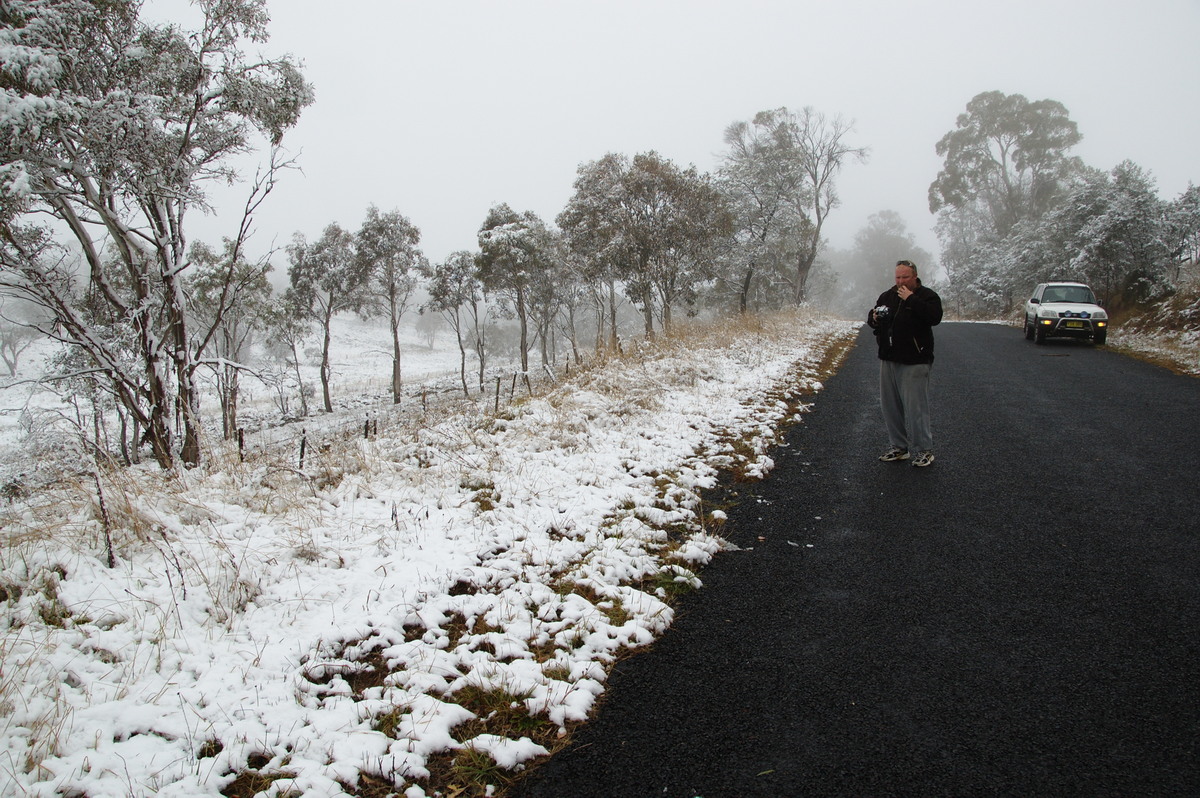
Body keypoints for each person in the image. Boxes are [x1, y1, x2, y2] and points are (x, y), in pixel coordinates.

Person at [867, 260, 943, 467]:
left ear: (915, 276)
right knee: (890, 406)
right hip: (889, 357)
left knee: (916, 407)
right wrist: (874, 317)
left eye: (905, 277)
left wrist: (911, 299)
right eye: (898, 277)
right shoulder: (887, 296)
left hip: (915, 360)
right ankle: (899, 448)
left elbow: (935, 317)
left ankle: (925, 450)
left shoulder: (927, 296)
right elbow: (873, 318)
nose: (900, 281)